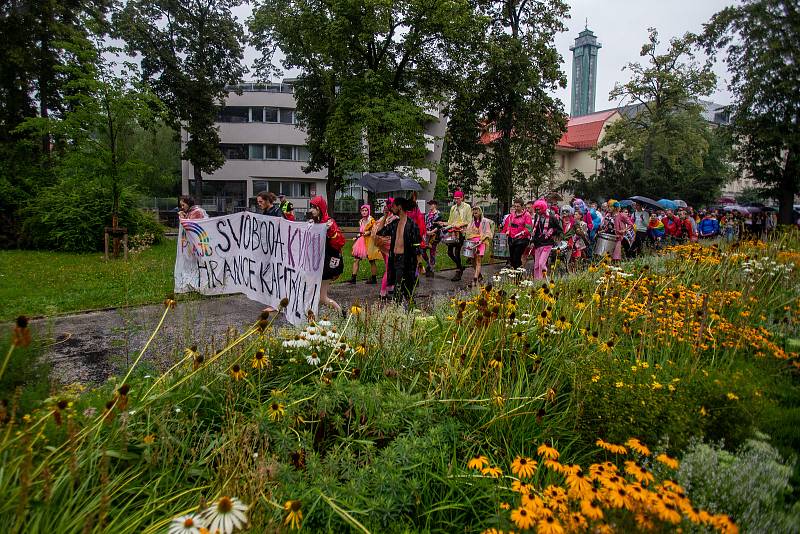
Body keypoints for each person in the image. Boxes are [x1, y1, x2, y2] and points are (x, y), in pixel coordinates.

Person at [377, 197, 422, 304]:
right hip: (395, 260)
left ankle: (401, 310)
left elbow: (417, 244)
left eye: (393, 206)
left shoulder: (411, 224)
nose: (391, 208)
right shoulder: (394, 223)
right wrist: (385, 216)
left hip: (407, 261)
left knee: (401, 288)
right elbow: (380, 232)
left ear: (399, 207)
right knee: (401, 289)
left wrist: (420, 263)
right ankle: (408, 309)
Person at [308, 196, 345, 317]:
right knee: (315, 295)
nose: (311, 210)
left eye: (314, 207)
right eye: (311, 207)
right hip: (317, 264)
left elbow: (340, 242)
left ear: (320, 208)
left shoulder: (329, 222)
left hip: (327, 265)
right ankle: (313, 318)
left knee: (322, 297)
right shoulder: (314, 223)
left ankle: (341, 313)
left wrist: (330, 231)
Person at [438, 190, 472, 281]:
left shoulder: (467, 207)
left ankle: (458, 272)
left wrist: (460, 225)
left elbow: (469, 221)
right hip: (452, 232)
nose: (456, 200)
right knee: (449, 252)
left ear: (462, 198)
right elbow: (450, 222)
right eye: (455, 199)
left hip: (461, 232)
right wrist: (444, 224)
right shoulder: (453, 208)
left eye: (458, 199)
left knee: (457, 252)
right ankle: (460, 267)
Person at [530, 199, 562, 279]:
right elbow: (535, 229)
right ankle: (537, 281)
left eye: (539, 209)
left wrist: (552, 232)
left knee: (541, 263)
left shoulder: (552, 217)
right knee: (536, 265)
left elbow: (559, 229)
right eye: (536, 209)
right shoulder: (537, 216)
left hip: (547, 243)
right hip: (538, 243)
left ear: (543, 208)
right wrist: (532, 241)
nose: (537, 211)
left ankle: (543, 279)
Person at [372, 200, 398, 299]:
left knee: (388, 266)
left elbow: (378, 231)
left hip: (381, 246)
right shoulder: (394, 218)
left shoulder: (383, 218)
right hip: (389, 246)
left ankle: (390, 288)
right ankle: (383, 293)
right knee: (389, 269)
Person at [349, 205, 380, 285]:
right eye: (362, 210)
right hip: (361, 242)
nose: (364, 212)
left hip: (369, 242)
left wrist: (369, 232)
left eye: (366, 210)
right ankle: (353, 278)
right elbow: (361, 232)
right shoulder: (361, 221)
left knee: (371, 260)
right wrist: (356, 237)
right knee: (356, 260)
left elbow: (374, 230)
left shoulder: (371, 220)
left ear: (368, 211)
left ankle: (374, 278)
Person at [464, 206, 494, 286]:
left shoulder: (485, 221)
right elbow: (468, 232)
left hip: (481, 243)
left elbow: (488, 232)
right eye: (473, 210)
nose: (475, 212)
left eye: (477, 210)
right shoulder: (471, 222)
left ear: (480, 211)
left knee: (478, 261)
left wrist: (483, 239)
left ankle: (474, 279)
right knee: (472, 261)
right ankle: (479, 276)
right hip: (472, 243)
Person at [502, 198, 532, 268]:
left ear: (522, 207)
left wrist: (522, 232)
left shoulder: (527, 215)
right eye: (515, 206)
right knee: (512, 259)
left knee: (516, 258)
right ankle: (515, 274)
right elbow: (509, 225)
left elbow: (529, 229)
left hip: (521, 239)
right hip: (512, 238)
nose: (516, 208)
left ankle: (518, 275)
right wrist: (508, 231)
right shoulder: (512, 215)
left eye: (518, 206)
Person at [422, 200, 443, 277]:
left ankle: (431, 267)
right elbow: (424, 224)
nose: (430, 206)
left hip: (435, 235)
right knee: (422, 250)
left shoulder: (438, 214)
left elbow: (439, 226)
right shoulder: (427, 215)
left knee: (432, 251)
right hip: (427, 235)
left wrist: (432, 232)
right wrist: (426, 232)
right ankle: (428, 263)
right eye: (429, 204)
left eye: (431, 204)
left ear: (435, 205)